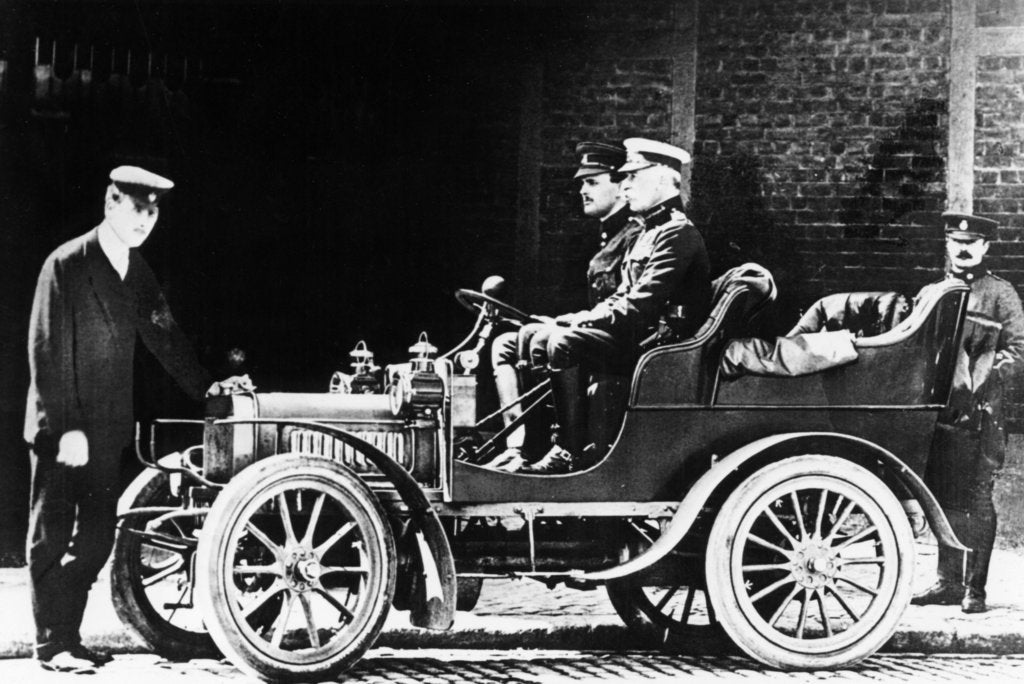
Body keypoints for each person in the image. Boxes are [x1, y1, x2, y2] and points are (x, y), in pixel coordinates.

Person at [24, 166, 251, 672]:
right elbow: (46, 352)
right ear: (111, 203)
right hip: (63, 431)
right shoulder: (66, 263)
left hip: (107, 429)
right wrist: (68, 429)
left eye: (153, 212)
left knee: (98, 538)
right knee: (52, 536)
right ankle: (51, 645)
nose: (146, 220)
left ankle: (68, 638)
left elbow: (164, 336)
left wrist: (206, 386)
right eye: (137, 209)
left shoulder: (135, 268)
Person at [516, 138, 711, 474]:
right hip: (638, 341)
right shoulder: (652, 231)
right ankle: (537, 446)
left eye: (634, 176)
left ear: (661, 179)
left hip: (660, 350)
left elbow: (641, 305)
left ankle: (568, 450)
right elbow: (621, 296)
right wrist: (576, 317)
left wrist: (581, 323)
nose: (626, 185)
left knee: (562, 342)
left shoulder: (678, 234)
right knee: (537, 336)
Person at [484, 142, 639, 470]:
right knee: (507, 343)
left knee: (543, 338)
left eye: (592, 182)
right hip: (597, 333)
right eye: (583, 183)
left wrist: (568, 324)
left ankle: (558, 446)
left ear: (621, 187)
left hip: (620, 342)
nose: (583, 190)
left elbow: (626, 304)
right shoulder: (607, 235)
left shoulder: (634, 235)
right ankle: (520, 445)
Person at [913, 211, 1024, 613]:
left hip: (982, 413)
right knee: (944, 495)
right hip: (941, 414)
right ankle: (948, 582)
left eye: (971, 243)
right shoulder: (934, 292)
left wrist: (983, 379)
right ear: (947, 244)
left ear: (985, 247)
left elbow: (1018, 350)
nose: (963, 249)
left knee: (977, 497)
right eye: (956, 242)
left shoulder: (1001, 294)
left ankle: (975, 590)